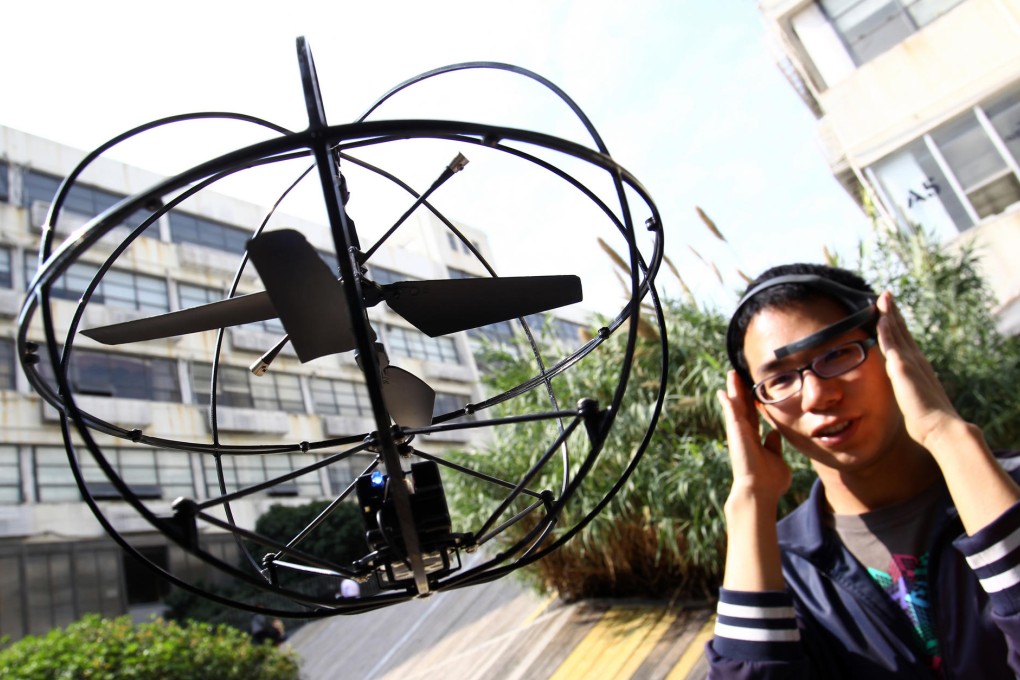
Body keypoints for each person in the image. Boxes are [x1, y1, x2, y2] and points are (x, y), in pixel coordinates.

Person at [707, 263, 1020, 678]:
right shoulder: (779, 569)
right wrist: (749, 502)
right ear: (758, 409)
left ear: (893, 346)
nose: (817, 395)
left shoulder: (1008, 490)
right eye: (780, 380)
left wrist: (947, 434)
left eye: (836, 354)